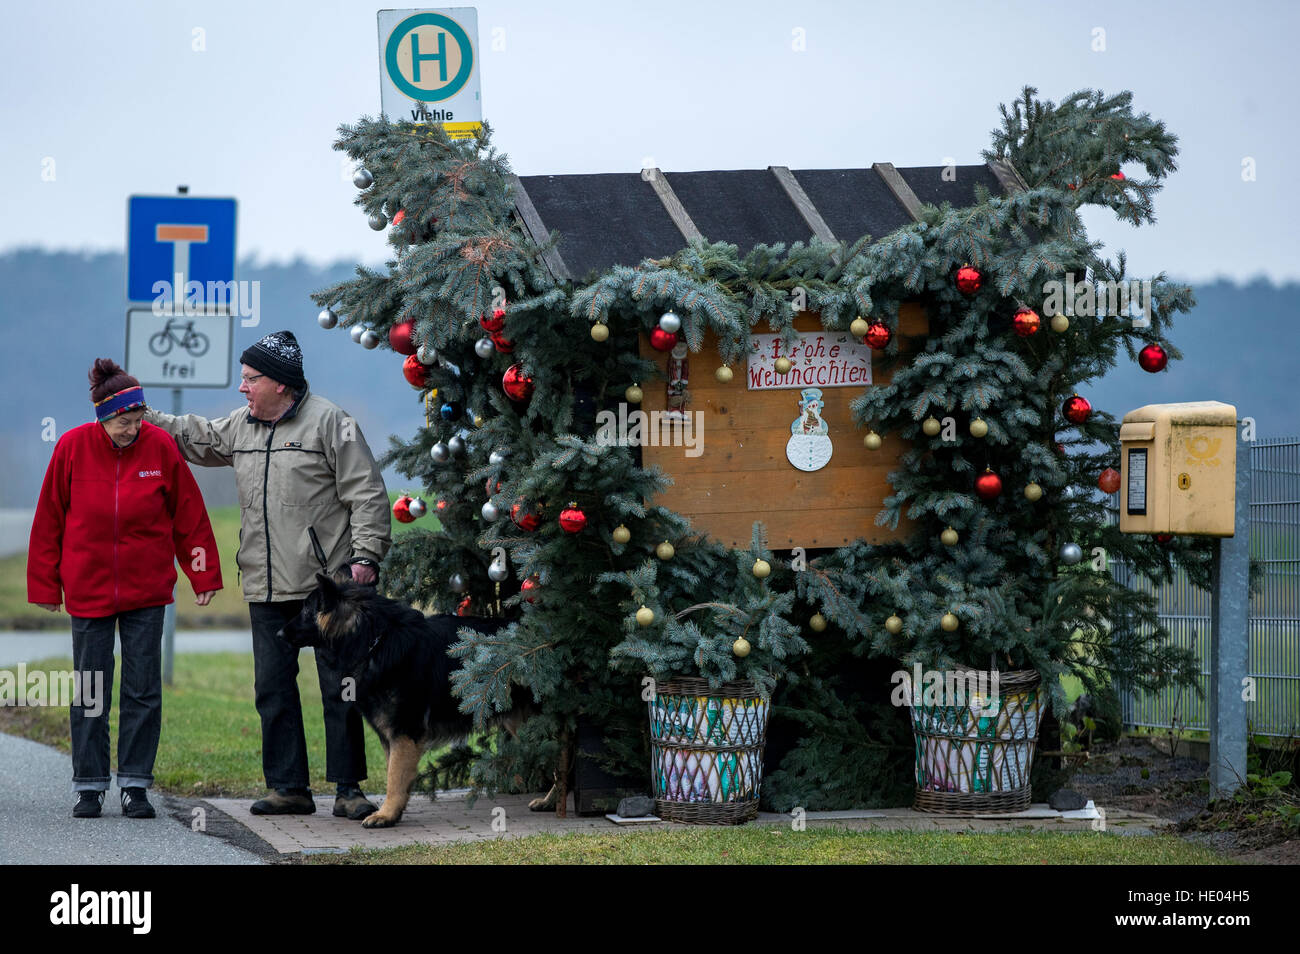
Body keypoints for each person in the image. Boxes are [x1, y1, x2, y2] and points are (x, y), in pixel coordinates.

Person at [145, 330, 391, 819]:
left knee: (340, 689)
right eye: (243, 378)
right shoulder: (241, 425)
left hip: (328, 591)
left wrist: (364, 558)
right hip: (264, 584)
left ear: (280, 384)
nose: (242, 387)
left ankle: (348, 790)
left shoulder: (331, 422)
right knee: (272, 690)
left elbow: (366, 493)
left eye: (250, 378)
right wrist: (140, 410)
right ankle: (288, 789)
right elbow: (195, 435)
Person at [28, 359, 223, 819]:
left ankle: (135, 784)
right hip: (88, 588)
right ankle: (89, 785)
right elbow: (49, 519)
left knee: (142, 689)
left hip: (146, 590)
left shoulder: (159, 448)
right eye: (122, 421)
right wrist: (45, 584)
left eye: (137, 420)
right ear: (101, 416)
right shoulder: (71, 447)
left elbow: (189, 516)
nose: (131, 430)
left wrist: (203, 574)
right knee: (91, 688)